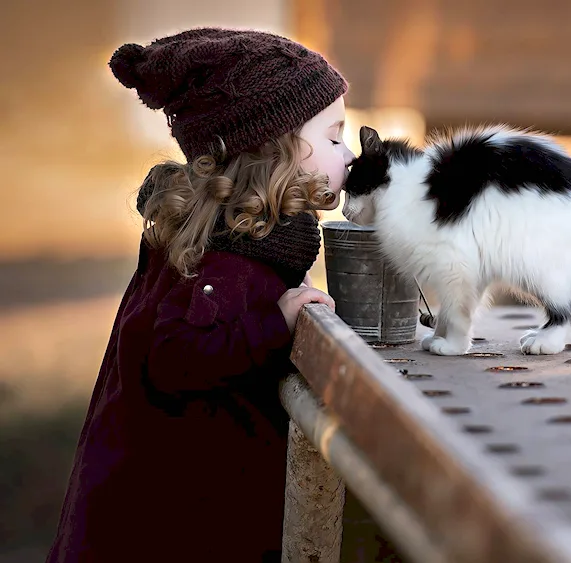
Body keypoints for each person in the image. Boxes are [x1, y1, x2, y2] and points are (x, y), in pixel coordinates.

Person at [46, 27, 353, 563]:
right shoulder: (228, 257)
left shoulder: (233, 239)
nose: (348, 153)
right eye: (333, 136)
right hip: (171, 526)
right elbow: (175, 356)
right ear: (273, 150)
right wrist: (274, 325)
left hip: (172, 511)